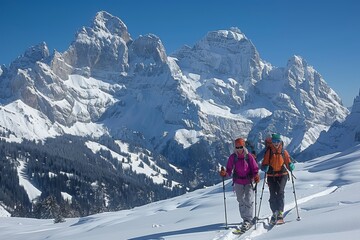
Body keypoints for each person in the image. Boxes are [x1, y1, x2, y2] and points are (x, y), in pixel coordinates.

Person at [220, 138, 260, 231]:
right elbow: (229, 170)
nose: (238, 149)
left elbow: (255, 168)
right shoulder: (232, 157)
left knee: (248, 200)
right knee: (240, 200)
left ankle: (248, 220)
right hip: (238, 182)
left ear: (244, 146)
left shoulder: (249, 156)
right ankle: (245, 218)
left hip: (248, 181)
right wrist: (224, 174)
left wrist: (256, 176)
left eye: (240, 147)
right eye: (237, 147)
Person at [261, 133, 295, 224]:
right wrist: (264, 167)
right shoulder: (269, 152)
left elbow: (288, 162)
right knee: (272, 194)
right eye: (274, 141)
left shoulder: (284, 152)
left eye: (277, 141)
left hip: (282, 175)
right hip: (271, 176)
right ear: (272, 142)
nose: (276, 143)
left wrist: (291, 166)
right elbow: (264, 163)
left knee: (280, 192)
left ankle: (279, 212)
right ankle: (274, 212)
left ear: (280, 142)